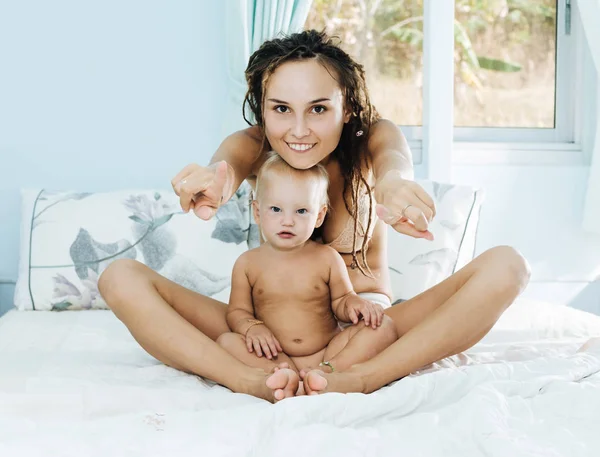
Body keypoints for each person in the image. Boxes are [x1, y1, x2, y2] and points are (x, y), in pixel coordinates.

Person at [98, 29, 530, 402]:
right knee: (118, 278)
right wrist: (213, 181)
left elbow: (393, 162)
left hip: (362, 327)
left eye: (319, 109)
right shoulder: (256, 144)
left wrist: (394, 185)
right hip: (264, 330)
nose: (299, 130)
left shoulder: (371, 139)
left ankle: (363, 377)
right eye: (281, 108)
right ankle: (247, 380)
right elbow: (226, 168)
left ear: (347, 109)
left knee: (509, 266)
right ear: (263, 110)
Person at [218, 153, 397, 396]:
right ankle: (285, 376)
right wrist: (252, 328)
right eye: (276, 209)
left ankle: (326, 374)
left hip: (327, 352)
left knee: (383, 326)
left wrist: (353, 303)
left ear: (319, 216)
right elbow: (237, 312)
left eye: (301, 211)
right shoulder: (248, 263)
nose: (288, 221)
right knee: (226, 343)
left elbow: (341, 300)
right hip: (274, 355)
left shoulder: (326, 258)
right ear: (257, 212)